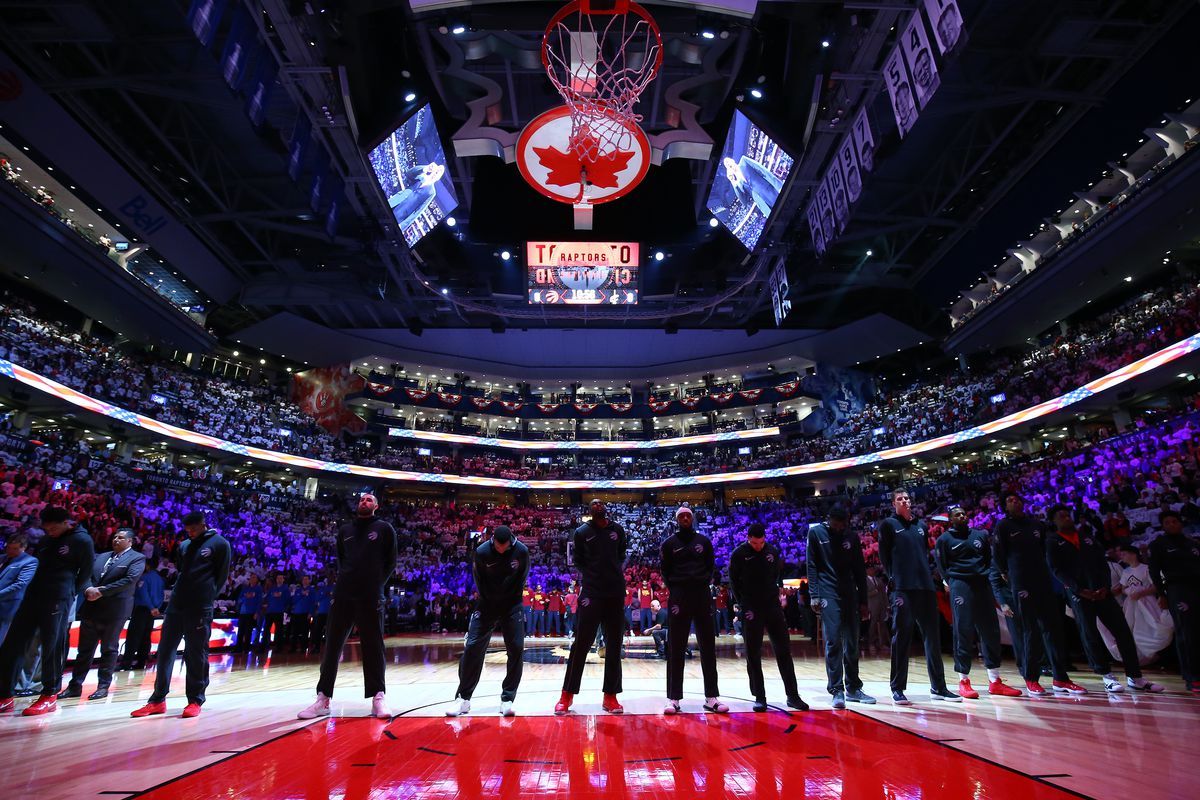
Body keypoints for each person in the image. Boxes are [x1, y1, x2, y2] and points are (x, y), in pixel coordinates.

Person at [297, 493, 397, 719]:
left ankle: (378, 697)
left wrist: (377, 585)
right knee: (332, 645)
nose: (365, 502)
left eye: (370, 499)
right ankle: (323, 698)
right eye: (362, 499)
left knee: (373, 646)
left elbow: (391, 561)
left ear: (376, 506)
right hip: (344, 593)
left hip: (371, 594)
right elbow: (342, 560)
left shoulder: (384, 529)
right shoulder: (345, 530)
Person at [1047, 506, 1164, 693]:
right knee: (1090, 635)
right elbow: (1057, 570)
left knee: (1123, 632)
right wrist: (1080, 590)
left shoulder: (1086, 536)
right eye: (1062, 516)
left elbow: (1102, 564)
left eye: (1068, 514)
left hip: (1102, 592)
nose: (1067, 518)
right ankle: (1106, 676)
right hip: (1079, 595)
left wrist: (1104, 587)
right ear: (1054, 521)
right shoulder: (1052, 541)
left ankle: (1135, 677)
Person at [131, 510, 231, 719]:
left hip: (199, 606)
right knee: (165, 651)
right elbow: (183, 572)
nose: (191, 533)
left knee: (195, 653)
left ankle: (195, 700)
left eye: (194, 529)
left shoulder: (220, 544)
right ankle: (157, 699)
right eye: (188, 530)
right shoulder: (184, 546)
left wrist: (207, 597)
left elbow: (221, 577)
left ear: (203, 525)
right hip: (176, 605)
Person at [0, 506, 95, 716]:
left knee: (52, 646)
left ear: (66, 523)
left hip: (57, 598)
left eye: (53, 528)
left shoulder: (82, 541)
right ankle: (5, 695)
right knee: (13, 644)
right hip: (33, 596)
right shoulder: (46, 540)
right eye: (47, 529)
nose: (49, 532)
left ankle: (49, 694)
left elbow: (86, 573)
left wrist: (67, 594)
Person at [994, 494, 1087, 696]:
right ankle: (1031, 679)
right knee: (1031, 631)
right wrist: (1005, 574)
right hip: (1021, 583)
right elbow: (998, 555)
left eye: (1017, 498)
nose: (1015, 501)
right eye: (1009, 500)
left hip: (1043, 581)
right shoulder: (1003, 526)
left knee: (1053, 629)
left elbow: (1047, 551)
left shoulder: (1037, 524)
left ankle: (1060, 678)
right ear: (1005, 506)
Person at [879, 489, 959, 705]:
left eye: (906, 498)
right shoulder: (888, 524)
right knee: (901, 637)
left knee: (932, 637)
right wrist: (892, 578)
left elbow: (923, 555)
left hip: (925, 587)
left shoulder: (922, 526)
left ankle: (939, 687)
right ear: (893, 503)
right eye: (899, 499)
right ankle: (897, 688)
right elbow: (884, 556)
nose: (904, 501)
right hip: (902, 588)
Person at [933, 507, 1022, 699]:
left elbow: (989, 561)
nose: (962, 515)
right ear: (950, 519)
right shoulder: (944, 540)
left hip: (982, 584)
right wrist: (952, 582)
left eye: (964, 513)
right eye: (957, 514)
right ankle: (964, 680)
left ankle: (995, 681)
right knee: (963, 630)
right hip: (960, 585)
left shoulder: (980, 535)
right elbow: (942, 567)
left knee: (991, 630)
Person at [445, 526, 529, 717]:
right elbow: (479, 581)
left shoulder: (522, 551)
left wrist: (507, 600)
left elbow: (521, 579)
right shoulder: (482, 551)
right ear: (493, 541)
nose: (500, 550)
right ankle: (463, 698)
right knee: (472, 647)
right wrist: (491, 599)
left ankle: (507, 698)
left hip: (512, 605)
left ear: (510, 542)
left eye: (504, 547)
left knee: (516, 648)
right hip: (486, 603)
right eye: (497, 547)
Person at [555, 498, 627, 715]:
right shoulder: (581, 532)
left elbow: (621, 555)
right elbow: (578, 560)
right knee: (581, 644)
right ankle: (566, 695)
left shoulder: (618, 530)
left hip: (614, 591)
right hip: (592, 592)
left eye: (600, 503)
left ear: (605, 508)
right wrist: (594, 575)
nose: (597, 506)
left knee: (615, 644)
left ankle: (610, 696)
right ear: (589, 510)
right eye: (593, 504)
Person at [61, 528, 146, 700]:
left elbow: (129, 580)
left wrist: (101, 591)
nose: (116, 539)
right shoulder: (101, 556)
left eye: (120, 538)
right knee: (84, 651)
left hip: (115, 610)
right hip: (91, 608)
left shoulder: (137, 558)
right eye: (114, 536)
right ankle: (75, 686)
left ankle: (103, 687)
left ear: (130, 541)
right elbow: (85, 576)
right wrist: (87, 589)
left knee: (109, 649)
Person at [660, 506, 728, 715]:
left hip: (702, 595)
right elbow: (665, 571)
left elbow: (710, 566)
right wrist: (677, 588)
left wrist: (699, 582)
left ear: (693, 518)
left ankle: (711, 697)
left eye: (688, 515)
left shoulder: (704, 542)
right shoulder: (669, 544)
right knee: (675, 646)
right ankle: (673, 699)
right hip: (679, 596)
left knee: (708, 645)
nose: (685, 518)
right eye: (681, 516)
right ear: (677, 520)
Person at [733, 522, 808, 712]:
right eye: (754, 543)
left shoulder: (772, 552)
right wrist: (742, 604)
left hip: (772, 606)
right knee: (753, 652)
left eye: (761, 543)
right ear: (748, 538)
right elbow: (734, 582)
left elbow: (776, 576)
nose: (758, 546)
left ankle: (793, 695)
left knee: (784, 650)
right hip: (751, 608)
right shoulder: (739, 554)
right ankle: (760, 696)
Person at [805, 506, 874, 709]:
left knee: (852, 641)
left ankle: (853, 687)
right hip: (827, 592)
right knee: (834, 641)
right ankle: (836, 689)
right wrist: (814, 594)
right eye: (836, 523)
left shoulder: (851, 536)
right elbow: (811, 564)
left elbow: (860, 569)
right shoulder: (816, 532)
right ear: (829, 519)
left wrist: (863, 601)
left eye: (842, 524)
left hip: (849, 593)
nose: (839, 527)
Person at [1148, 510, 1200, 692]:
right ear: (1163, 526)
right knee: (1186, 633)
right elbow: (1154, 572)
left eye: (1174, 521)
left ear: (1180, 523)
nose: (1171, 524)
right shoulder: (1158, 545)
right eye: (1167, 522)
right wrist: (1161, 594)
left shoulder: (1192, 544)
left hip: (1196, 588)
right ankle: (1192, 677)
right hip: (1177, 590)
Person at [121, 560, 164, 670]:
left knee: (133, 637)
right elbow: (162, 595)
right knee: (146, 637)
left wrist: (150, 607)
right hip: (152, 611)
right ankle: (141, 663)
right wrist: (155, 608)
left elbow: (143, 594)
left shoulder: (144, 578)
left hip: (142, 610)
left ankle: (126, 664)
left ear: (147, 566)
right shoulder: (160, 579)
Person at [0, 533, 37, 647]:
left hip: (6, 604)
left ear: (23, 548)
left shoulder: (30, 561)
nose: (10, 551)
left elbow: (20, 584)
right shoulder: (2, 557)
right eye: (9, 547)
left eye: (15, 549)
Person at [234, 573, 264, 653]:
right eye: (251, 577)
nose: (252, 579)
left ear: (257, 580)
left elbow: (259, 601)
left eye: (254, 577)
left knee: (248, 631)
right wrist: (245, 597)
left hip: (251, 612)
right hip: (243, 612)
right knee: (240, 631)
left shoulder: (258, 589)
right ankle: (238, 648)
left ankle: (246, 648)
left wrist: (257, 612)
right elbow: (239, 599)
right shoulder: (245, 588)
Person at [261, 574, 290, 652]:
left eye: (281, 578)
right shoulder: (272, 588)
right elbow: (267, 598)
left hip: (279, 611)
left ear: (283, 579)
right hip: (270, 611)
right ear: (276, 579)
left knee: (279, 631)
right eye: (278, 578)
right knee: (266, 630)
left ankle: (279, 648)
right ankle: (263, 647)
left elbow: (288, 600)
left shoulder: (286, 589)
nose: (279, 579)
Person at [288, 575, 316, 652]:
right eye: (304, 579)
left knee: (305, 631)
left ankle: (304, 647)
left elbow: (313, 602)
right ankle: (293, 647)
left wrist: (310, 612)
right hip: (296, 613)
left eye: (307, 579)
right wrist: (301, 594)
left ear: (309, 581)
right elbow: (293, 600)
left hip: (306, 613)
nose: (305, 581)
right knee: (295, 631)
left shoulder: (312, 590)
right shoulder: (298, 590)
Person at [864, 565, 889, 654]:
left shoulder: (879, 580)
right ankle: (871, 643)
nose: (873, 570)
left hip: (881, 605)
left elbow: (884, 594)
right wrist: (875, 591)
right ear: (867, 570)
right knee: (872, 624)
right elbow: (865, 594)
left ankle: (882, 644)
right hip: (872, 606)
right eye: (870, 569)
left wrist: (887, 606)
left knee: (883, 624)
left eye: (873, 569)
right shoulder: (865, 581)